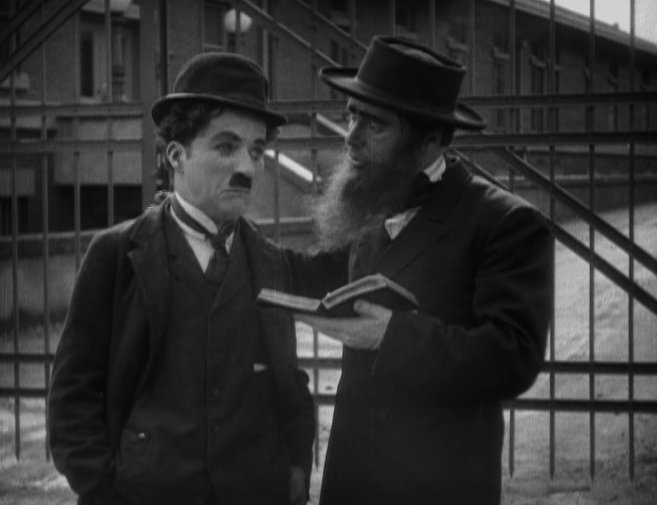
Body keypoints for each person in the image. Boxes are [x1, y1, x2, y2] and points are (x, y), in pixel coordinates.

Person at [47, 52, 324, 505]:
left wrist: (296, 470)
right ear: (176, 155)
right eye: (226, 147)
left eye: (256, 151)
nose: (247, 168)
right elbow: (72, 396)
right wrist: (103, 490)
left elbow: (289, 383)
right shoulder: (115, 256)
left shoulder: (269, 262)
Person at [295, 36, 554, 505]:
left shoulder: (505, 223)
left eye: (374, 124)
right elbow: (309, 273)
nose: (351, 137)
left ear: (430, 140)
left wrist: (390, 336)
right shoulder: (377, 200)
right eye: (352, 115)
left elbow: (512, 357)